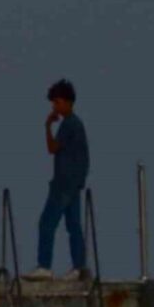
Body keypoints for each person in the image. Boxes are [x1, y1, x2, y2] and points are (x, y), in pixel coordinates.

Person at [23, 79, 91, 281]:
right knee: (73, 226)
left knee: (47, 222)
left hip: (63, 184)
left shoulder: (69, 124)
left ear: (68, 102)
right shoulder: (76, 124)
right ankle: (79, 268)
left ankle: (44, 266)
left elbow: (52, 148)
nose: (55, 107)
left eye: (57, 102)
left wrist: (47, 126)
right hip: (74, 184)